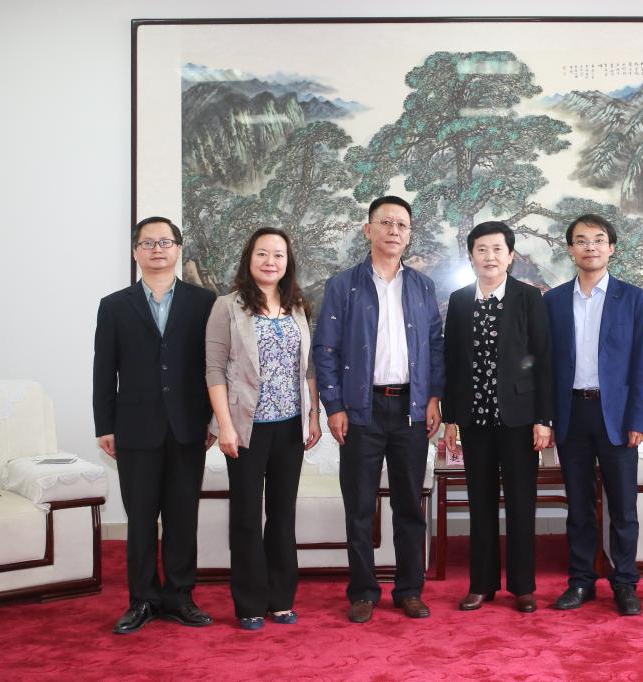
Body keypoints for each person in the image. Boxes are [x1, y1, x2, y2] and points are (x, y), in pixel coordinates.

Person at [314, 196, 444, 623]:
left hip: (410, 409)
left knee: (409, 506)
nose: (394, 230)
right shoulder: (343, 285)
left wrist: (434, 397)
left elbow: (436, 346)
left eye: (401, 225)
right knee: (359, 506)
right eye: (385, 222)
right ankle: (363, 592)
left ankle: (409, 590)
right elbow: (326, 349)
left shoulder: (422, 286)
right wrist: (334, 405)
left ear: (409, 234)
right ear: (368, 229)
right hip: (361, 410)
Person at [93, 216, 217, 634]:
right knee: (141, 519)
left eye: (165, 242)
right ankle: (143, 600)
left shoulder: (204, 302)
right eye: (148, 243)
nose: (157, 249)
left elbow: (214, 366)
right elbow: (103, 369)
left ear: (178, 249)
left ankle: (180, 596)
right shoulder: (114, 305)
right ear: (136, 252)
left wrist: (213, 419)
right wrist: (104, 425)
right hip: (134, 428)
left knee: (182, 517)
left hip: (188, 426)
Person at [205, 227, 321, 631]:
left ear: (288, 262)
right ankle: (250, 603)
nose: (271, 261)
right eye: (262, 253)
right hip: (245, 428)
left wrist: (313, 415)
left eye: (279, 255)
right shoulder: (227, 307)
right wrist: (225, 426)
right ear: (249, 258)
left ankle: (281, 599)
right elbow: (214, 370)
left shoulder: (297, 306)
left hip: (289, 428)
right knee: (246, 517)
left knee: (283, 515)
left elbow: (308, 367)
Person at [544, 213, 643, 616]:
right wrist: (546, 417)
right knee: (579, 507)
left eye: (597, 239)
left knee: (623, 507)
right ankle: (581, 581)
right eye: (581, 240)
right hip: (571, 413)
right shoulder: (554, 301)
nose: (589, 246)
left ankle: (625, 582)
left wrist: (639, 419)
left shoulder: (633, 298)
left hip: (618, 416)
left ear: (612, 247)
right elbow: (545, 364)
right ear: (570, 249)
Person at [442, 221, 553, 614]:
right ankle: (481, 584)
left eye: (497, 249)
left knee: (521, 503)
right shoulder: (459, 300)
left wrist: (543, 418)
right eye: (481, 249)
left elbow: (542, 358)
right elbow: (451, 362)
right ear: (471, 255)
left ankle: (523, 587)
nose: (489, 256)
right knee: (481, 502)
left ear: (510, 255)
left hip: (520, 419)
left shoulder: (528, 297)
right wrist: (450, 418)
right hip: (475, 419)